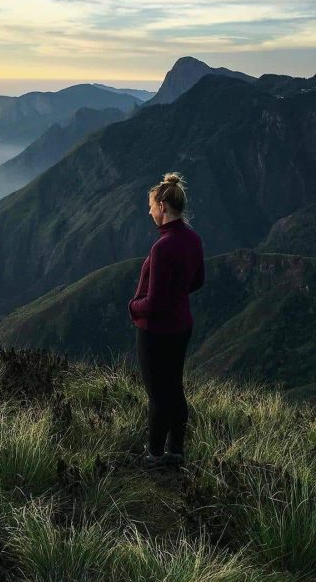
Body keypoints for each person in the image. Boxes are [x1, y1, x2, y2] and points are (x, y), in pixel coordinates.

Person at [128, 172, 204, 468]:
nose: (149, 211)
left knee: (157, 393)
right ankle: (176, 451)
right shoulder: (193, 238)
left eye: (151, 206)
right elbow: (198, 281)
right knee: (174, 388)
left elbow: (154, 302)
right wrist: (175, 297)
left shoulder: (162, 247)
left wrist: (134, 307)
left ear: (162, 205)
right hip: (181, 325)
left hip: (155, 331)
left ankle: (155, 455)